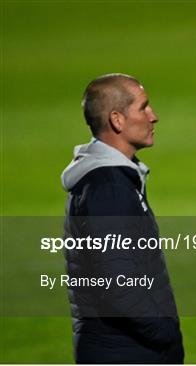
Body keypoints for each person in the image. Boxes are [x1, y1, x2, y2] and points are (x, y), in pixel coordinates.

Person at [61, 74, 184, 363]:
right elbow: (118, 282)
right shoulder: (108, 187)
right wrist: (164, 331)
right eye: (143, 107)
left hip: (123, 345)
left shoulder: (115, 179)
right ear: (117, 120)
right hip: (124, 350)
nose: (153, 117)